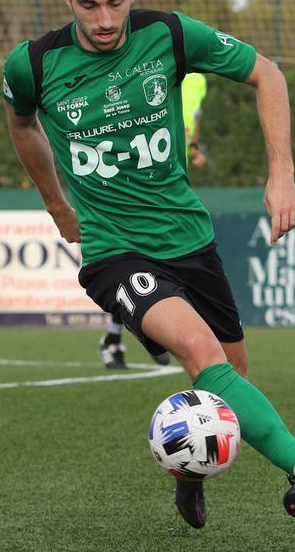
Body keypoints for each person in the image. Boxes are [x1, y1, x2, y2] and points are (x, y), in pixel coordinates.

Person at [1, 0, 295, 527]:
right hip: (114, 250)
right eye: (90, 5)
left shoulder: (169, 33)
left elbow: (268, 74)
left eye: (116, 1)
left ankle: (188, 475)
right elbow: (22, 125)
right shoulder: (34, 63)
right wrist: (57, 204)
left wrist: (282, 174)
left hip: (189, 238)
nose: (105, 18)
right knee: (197, 349)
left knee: (230, 387)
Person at [98, 72, 207, 369]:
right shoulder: (144, 69)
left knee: (166, 268)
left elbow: (190, 122)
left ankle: (134, 336)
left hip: (174, 186)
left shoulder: (198, 79)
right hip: (136, 185)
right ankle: (117, 338)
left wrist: (193, 149)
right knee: (135, 264)